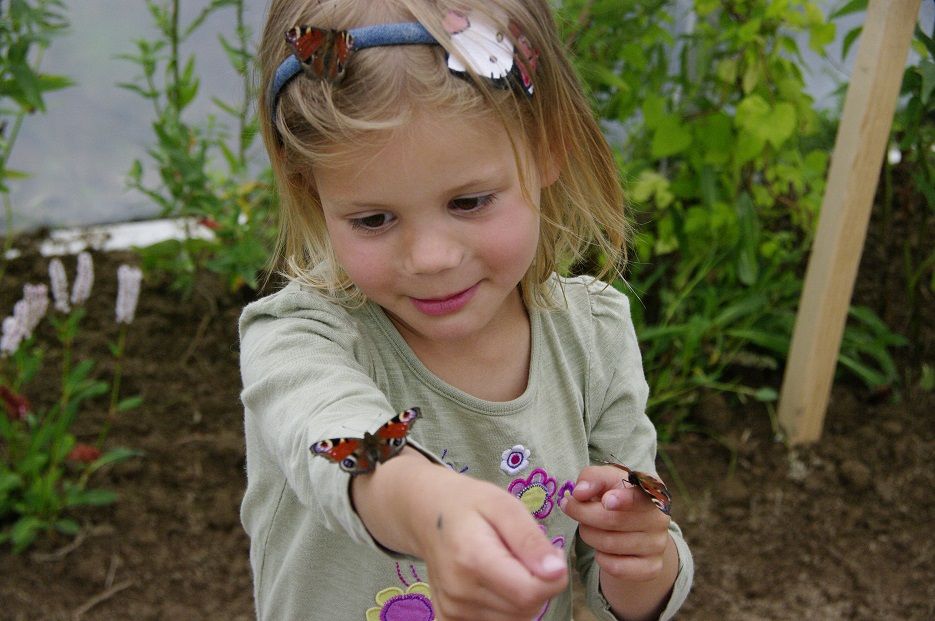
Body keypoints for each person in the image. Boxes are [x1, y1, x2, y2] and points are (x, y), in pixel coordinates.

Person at [240, 1, 693, 619]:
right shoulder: (299, 339)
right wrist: (434, 510)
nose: (429, 258)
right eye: (374, 219)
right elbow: (336, 443)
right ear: (307, 188)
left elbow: (627, 576)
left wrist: (641, 557)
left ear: (546, 152)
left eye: (470, 201)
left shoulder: (594, 333)